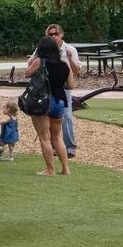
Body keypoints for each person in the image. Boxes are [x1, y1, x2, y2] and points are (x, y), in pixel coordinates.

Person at [29, 23, 83, 158]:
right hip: (45, 89)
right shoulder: (41, 50)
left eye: (56, 34)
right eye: (50, 34)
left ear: (61, 35)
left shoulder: (70, 50)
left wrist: (70, 60)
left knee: (67, 117)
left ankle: (69, 147)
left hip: (62, 88)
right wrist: (39, 58)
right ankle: (54, 147)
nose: (54, 37)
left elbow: (76, 72)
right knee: (49, 120)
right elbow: (30, 65)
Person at [25, 35, 71, 176]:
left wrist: (34, 62)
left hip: (43, 102)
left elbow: (27, 74)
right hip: (59, 101)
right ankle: (65, 169)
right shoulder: (64, 65)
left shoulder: (39, 61)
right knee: (57, 137)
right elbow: (71, 85)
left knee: (44, 137)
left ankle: (50, 170)